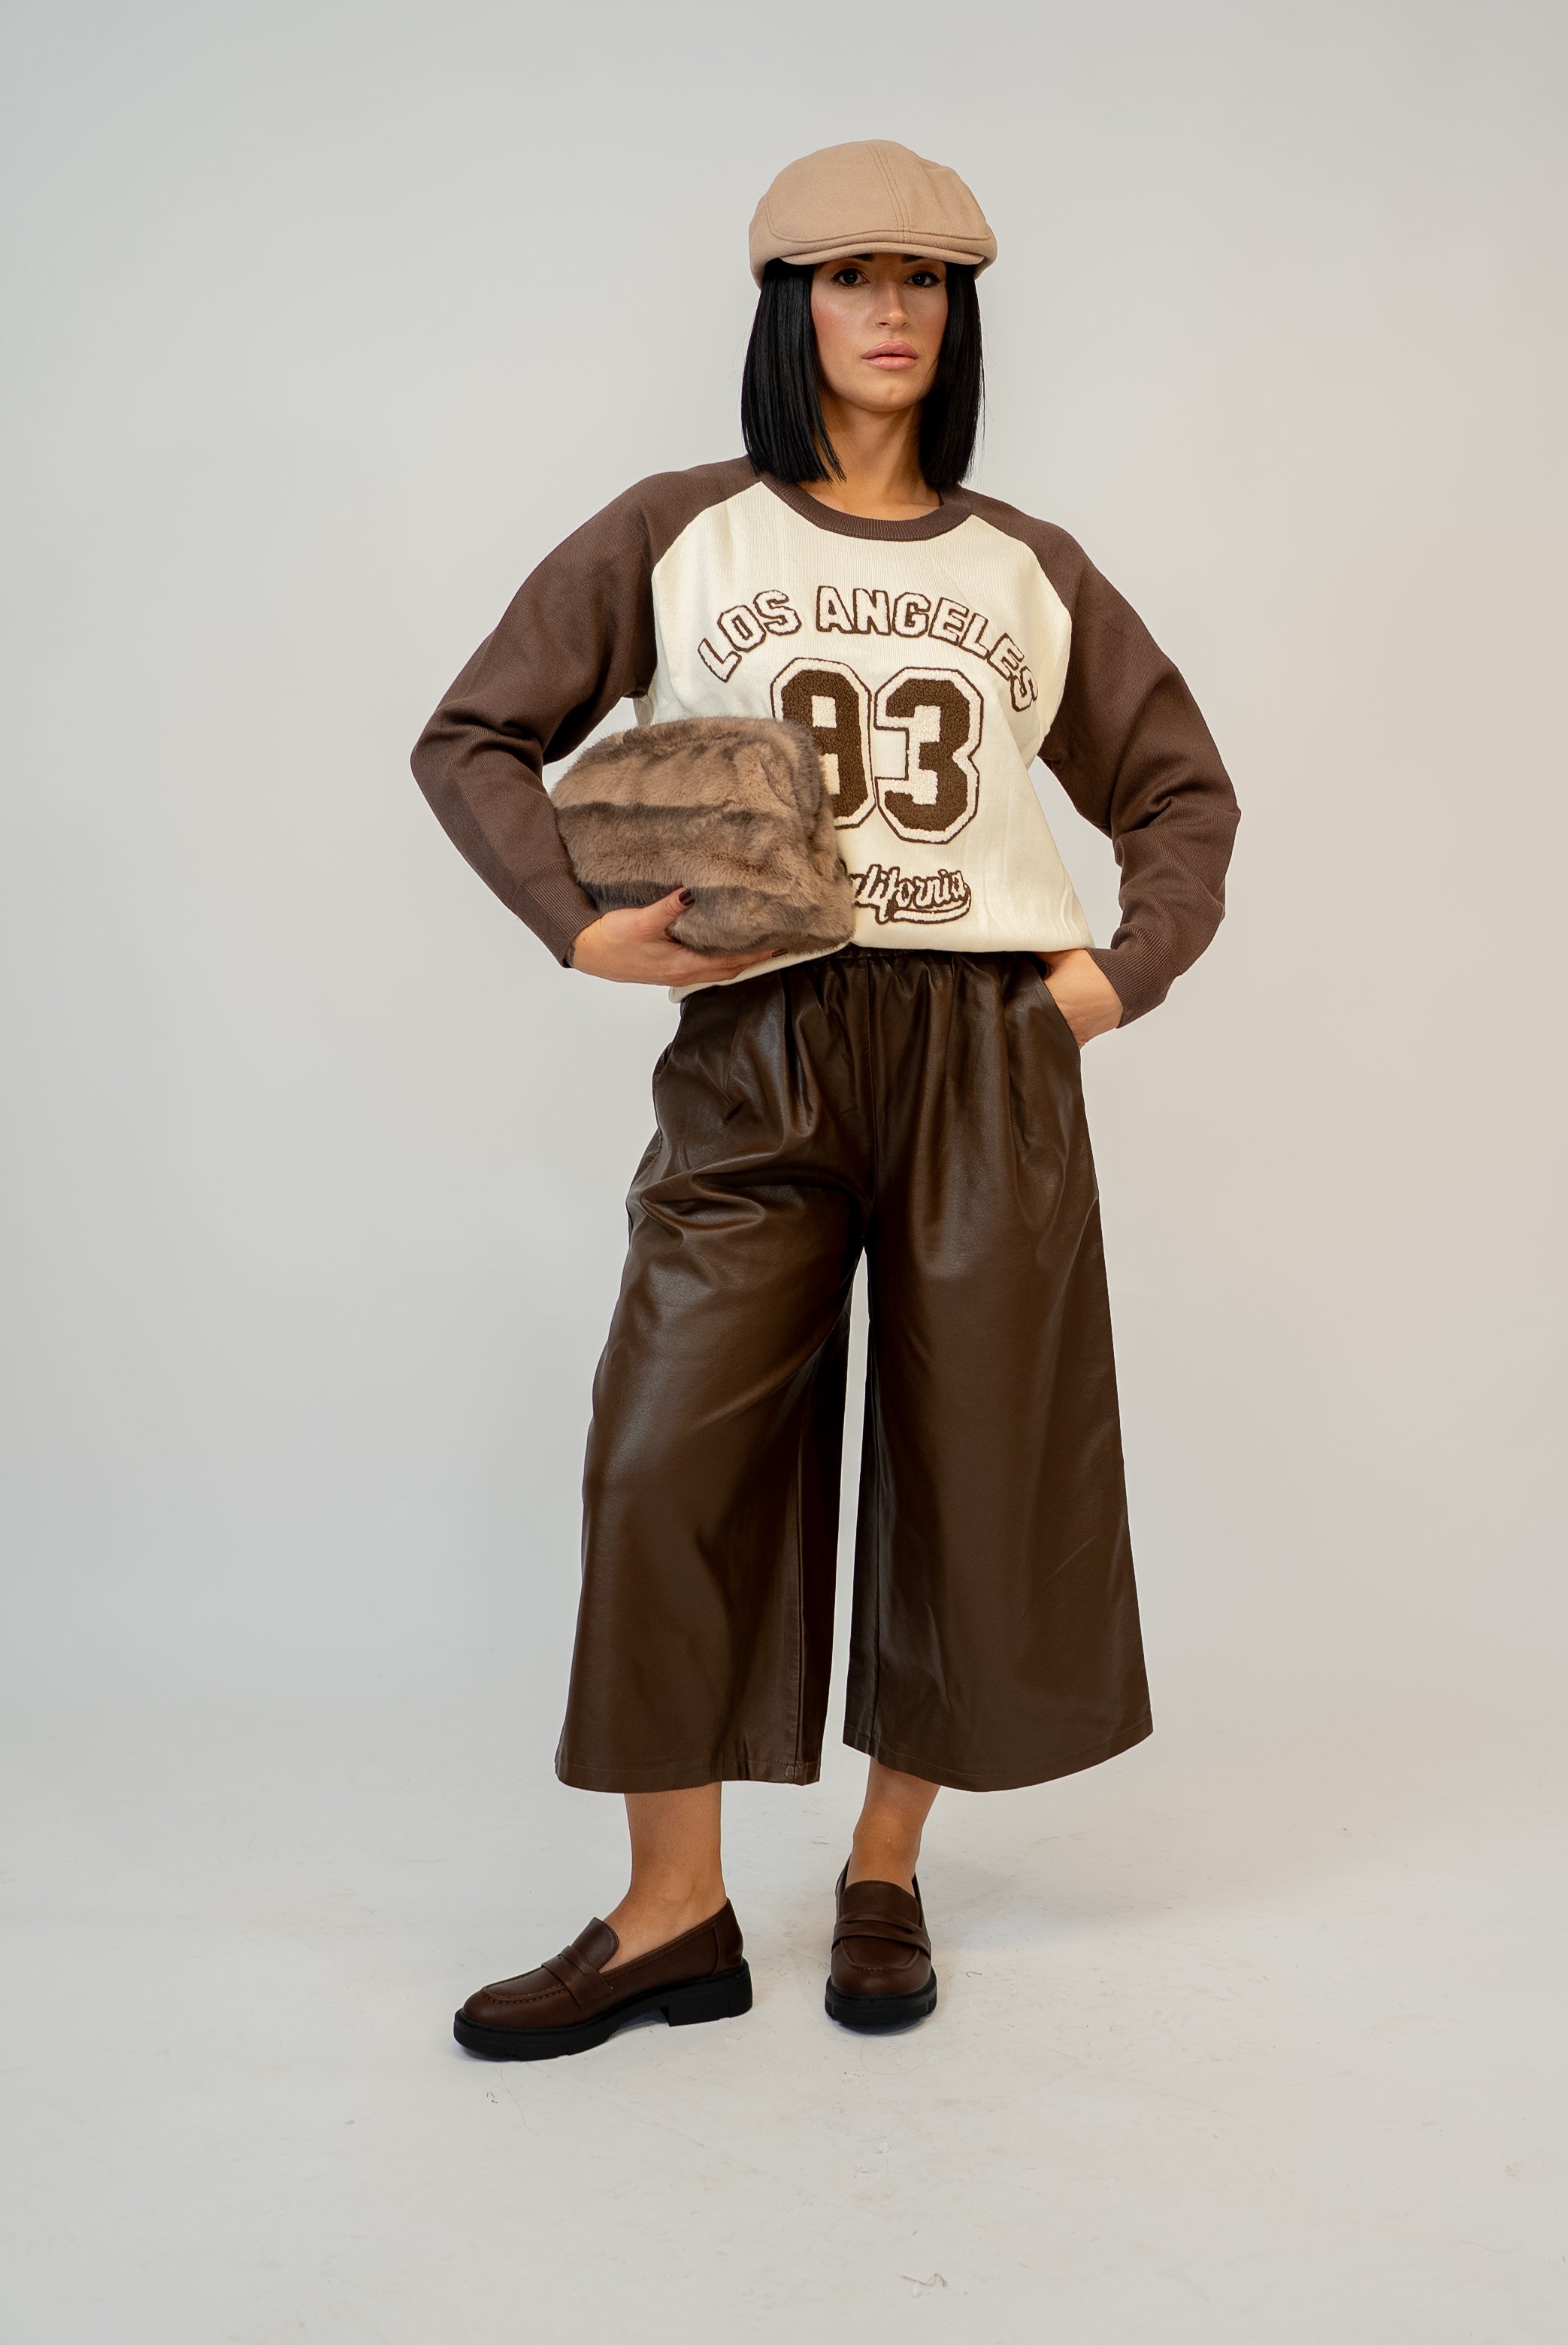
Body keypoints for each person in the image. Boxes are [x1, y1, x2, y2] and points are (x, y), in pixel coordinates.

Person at [413, 140, 1240, 2059]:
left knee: (974, 1464)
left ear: (959, 313)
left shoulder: (1027, 564)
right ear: (787, 306)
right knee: (661, 1456)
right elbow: (475, 736)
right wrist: (578, 927)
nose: (891, 310)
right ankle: (671, 1915)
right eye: (851, 276)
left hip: (983, 1053)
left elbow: (1180, 792)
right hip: (761, 1040)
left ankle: (883, 1868)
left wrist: (1110, 978)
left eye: (923, 281)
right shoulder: (678, 528)